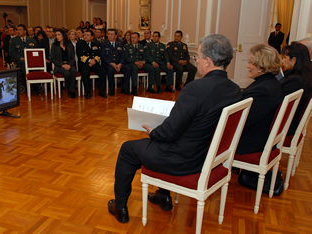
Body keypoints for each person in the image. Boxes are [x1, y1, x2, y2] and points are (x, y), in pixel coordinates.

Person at [107, 34, 242, 223]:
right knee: (165, 139)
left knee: (128, 149)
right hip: (205, 154)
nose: (198, 61)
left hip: (183, 160)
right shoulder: (235, 89)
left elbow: (168, 133)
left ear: (208, 61)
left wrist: (153, 131)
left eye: (199, 57)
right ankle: (164, 196)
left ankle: (120, 206)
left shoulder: (195, 88)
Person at [236, 44, 283, 155]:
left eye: (251, 62)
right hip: (259, 135)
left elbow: (243, 121)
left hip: (250, 142)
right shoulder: (270, 82)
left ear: (262, 66)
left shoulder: (263, 90)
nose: (247, 66)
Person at [280, 42, 312, 136]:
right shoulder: (305, 76)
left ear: (294, 60)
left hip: (286, 126)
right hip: (292, 121)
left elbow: (279, 104)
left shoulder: (295, 81)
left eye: (285, 57)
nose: (282, 61)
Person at [77, 29, 107, 99]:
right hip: (84, 63)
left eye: (88, 35)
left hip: (94, 63)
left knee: (103, 71)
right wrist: (89, 61)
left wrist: (94, 61)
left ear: (92, 37)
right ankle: (87, 92)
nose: (85, 36)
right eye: (84, 35)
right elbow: (80, 56)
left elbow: (99, 55)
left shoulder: (96, 44)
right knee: (85, 72)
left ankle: (102, 91)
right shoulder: (80, 44)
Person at [101, 28, 132, 96]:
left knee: (128, 68)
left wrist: (120, 64)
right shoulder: (104, 44)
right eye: (109, 34)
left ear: (115, 36)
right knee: (110, 70)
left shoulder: (120, 44)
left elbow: (123, 56)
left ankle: (124, 89)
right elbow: (103, 57)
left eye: (112, 34)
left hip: (119, 63)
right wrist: (111, 63)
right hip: (108, 64)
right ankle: (112, 90)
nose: (110, 36)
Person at [9, 24, 37, 89]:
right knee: (24, 64)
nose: (18, 31)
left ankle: (36, 84)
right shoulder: (14, 40)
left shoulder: (31, 40)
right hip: (20, 60)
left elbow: (35, 50)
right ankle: (26, 84)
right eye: (17, 30)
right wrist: (20, 58)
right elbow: (12, 52)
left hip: (31, 59)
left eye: (20, 30)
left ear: (25, 31)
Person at [51, 29, 77, 98]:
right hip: (59, 66)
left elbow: (72, 58)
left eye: (59, 34)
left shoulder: (69, 45)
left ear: (63, 35)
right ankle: (69, 88)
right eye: (56, 35)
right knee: (67, 73)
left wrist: (69, 65)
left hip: (69, 64)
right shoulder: (54, 46)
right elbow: (52, 59)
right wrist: (62, 65)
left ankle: (71, 90)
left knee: (73, 70)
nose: (57, 36)